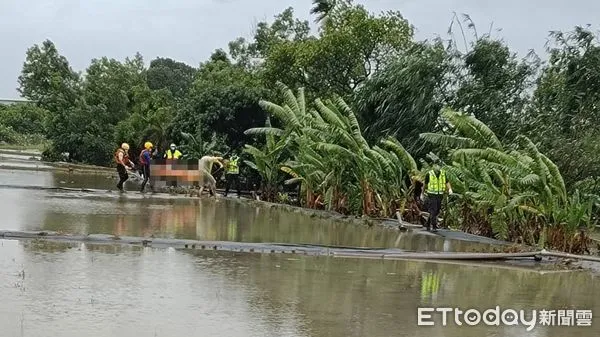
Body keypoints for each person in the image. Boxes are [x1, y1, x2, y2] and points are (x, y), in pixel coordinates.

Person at [421, 163, 452, 232]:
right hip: (431, 195)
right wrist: (422, 193)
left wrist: (450, 189)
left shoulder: (443, 173)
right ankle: (434, 226)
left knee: (437, 210)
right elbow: (425, 184)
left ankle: (428, 223)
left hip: (440, 195)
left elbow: (447, 182)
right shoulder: (429, 174)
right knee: (433, 210)